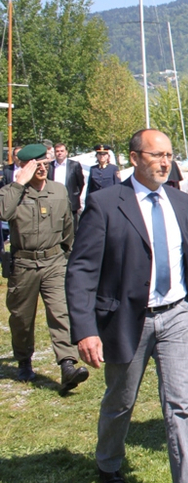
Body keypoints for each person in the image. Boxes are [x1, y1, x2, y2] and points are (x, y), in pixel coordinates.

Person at [65, 129, 188, 483]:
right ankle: (108, 463)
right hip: (127, 319)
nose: (165, 162)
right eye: (156, 155)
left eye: (170, 155)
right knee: (121, 400)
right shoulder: (105, 203)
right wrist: (86, 330)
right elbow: (82, 271)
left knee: (181, 404)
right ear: (135, 157)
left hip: (176, 315)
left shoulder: (179, 200)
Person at [1, 144, 84, 391]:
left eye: (45, 164)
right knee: (21, 318)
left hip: (54, 262)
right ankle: (24, 360)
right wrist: (19, 183)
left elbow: (68, 227)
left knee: (61, 312)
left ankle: (68, 364)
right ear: (26, 166)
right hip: (24, 265)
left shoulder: (59, 191)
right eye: (36, 165)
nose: (42, 169)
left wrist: (67, 256)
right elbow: (3, 213)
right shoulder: (12, 193)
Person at [49, 142, 85, 232]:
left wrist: (75, 195)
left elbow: (80, 183)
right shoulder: (50, 166)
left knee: (71, 229)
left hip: (70, 202)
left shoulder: (74, 165)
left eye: (62, 151)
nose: (59, 153)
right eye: (57, 151)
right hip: (53, 202)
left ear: (66, 152)